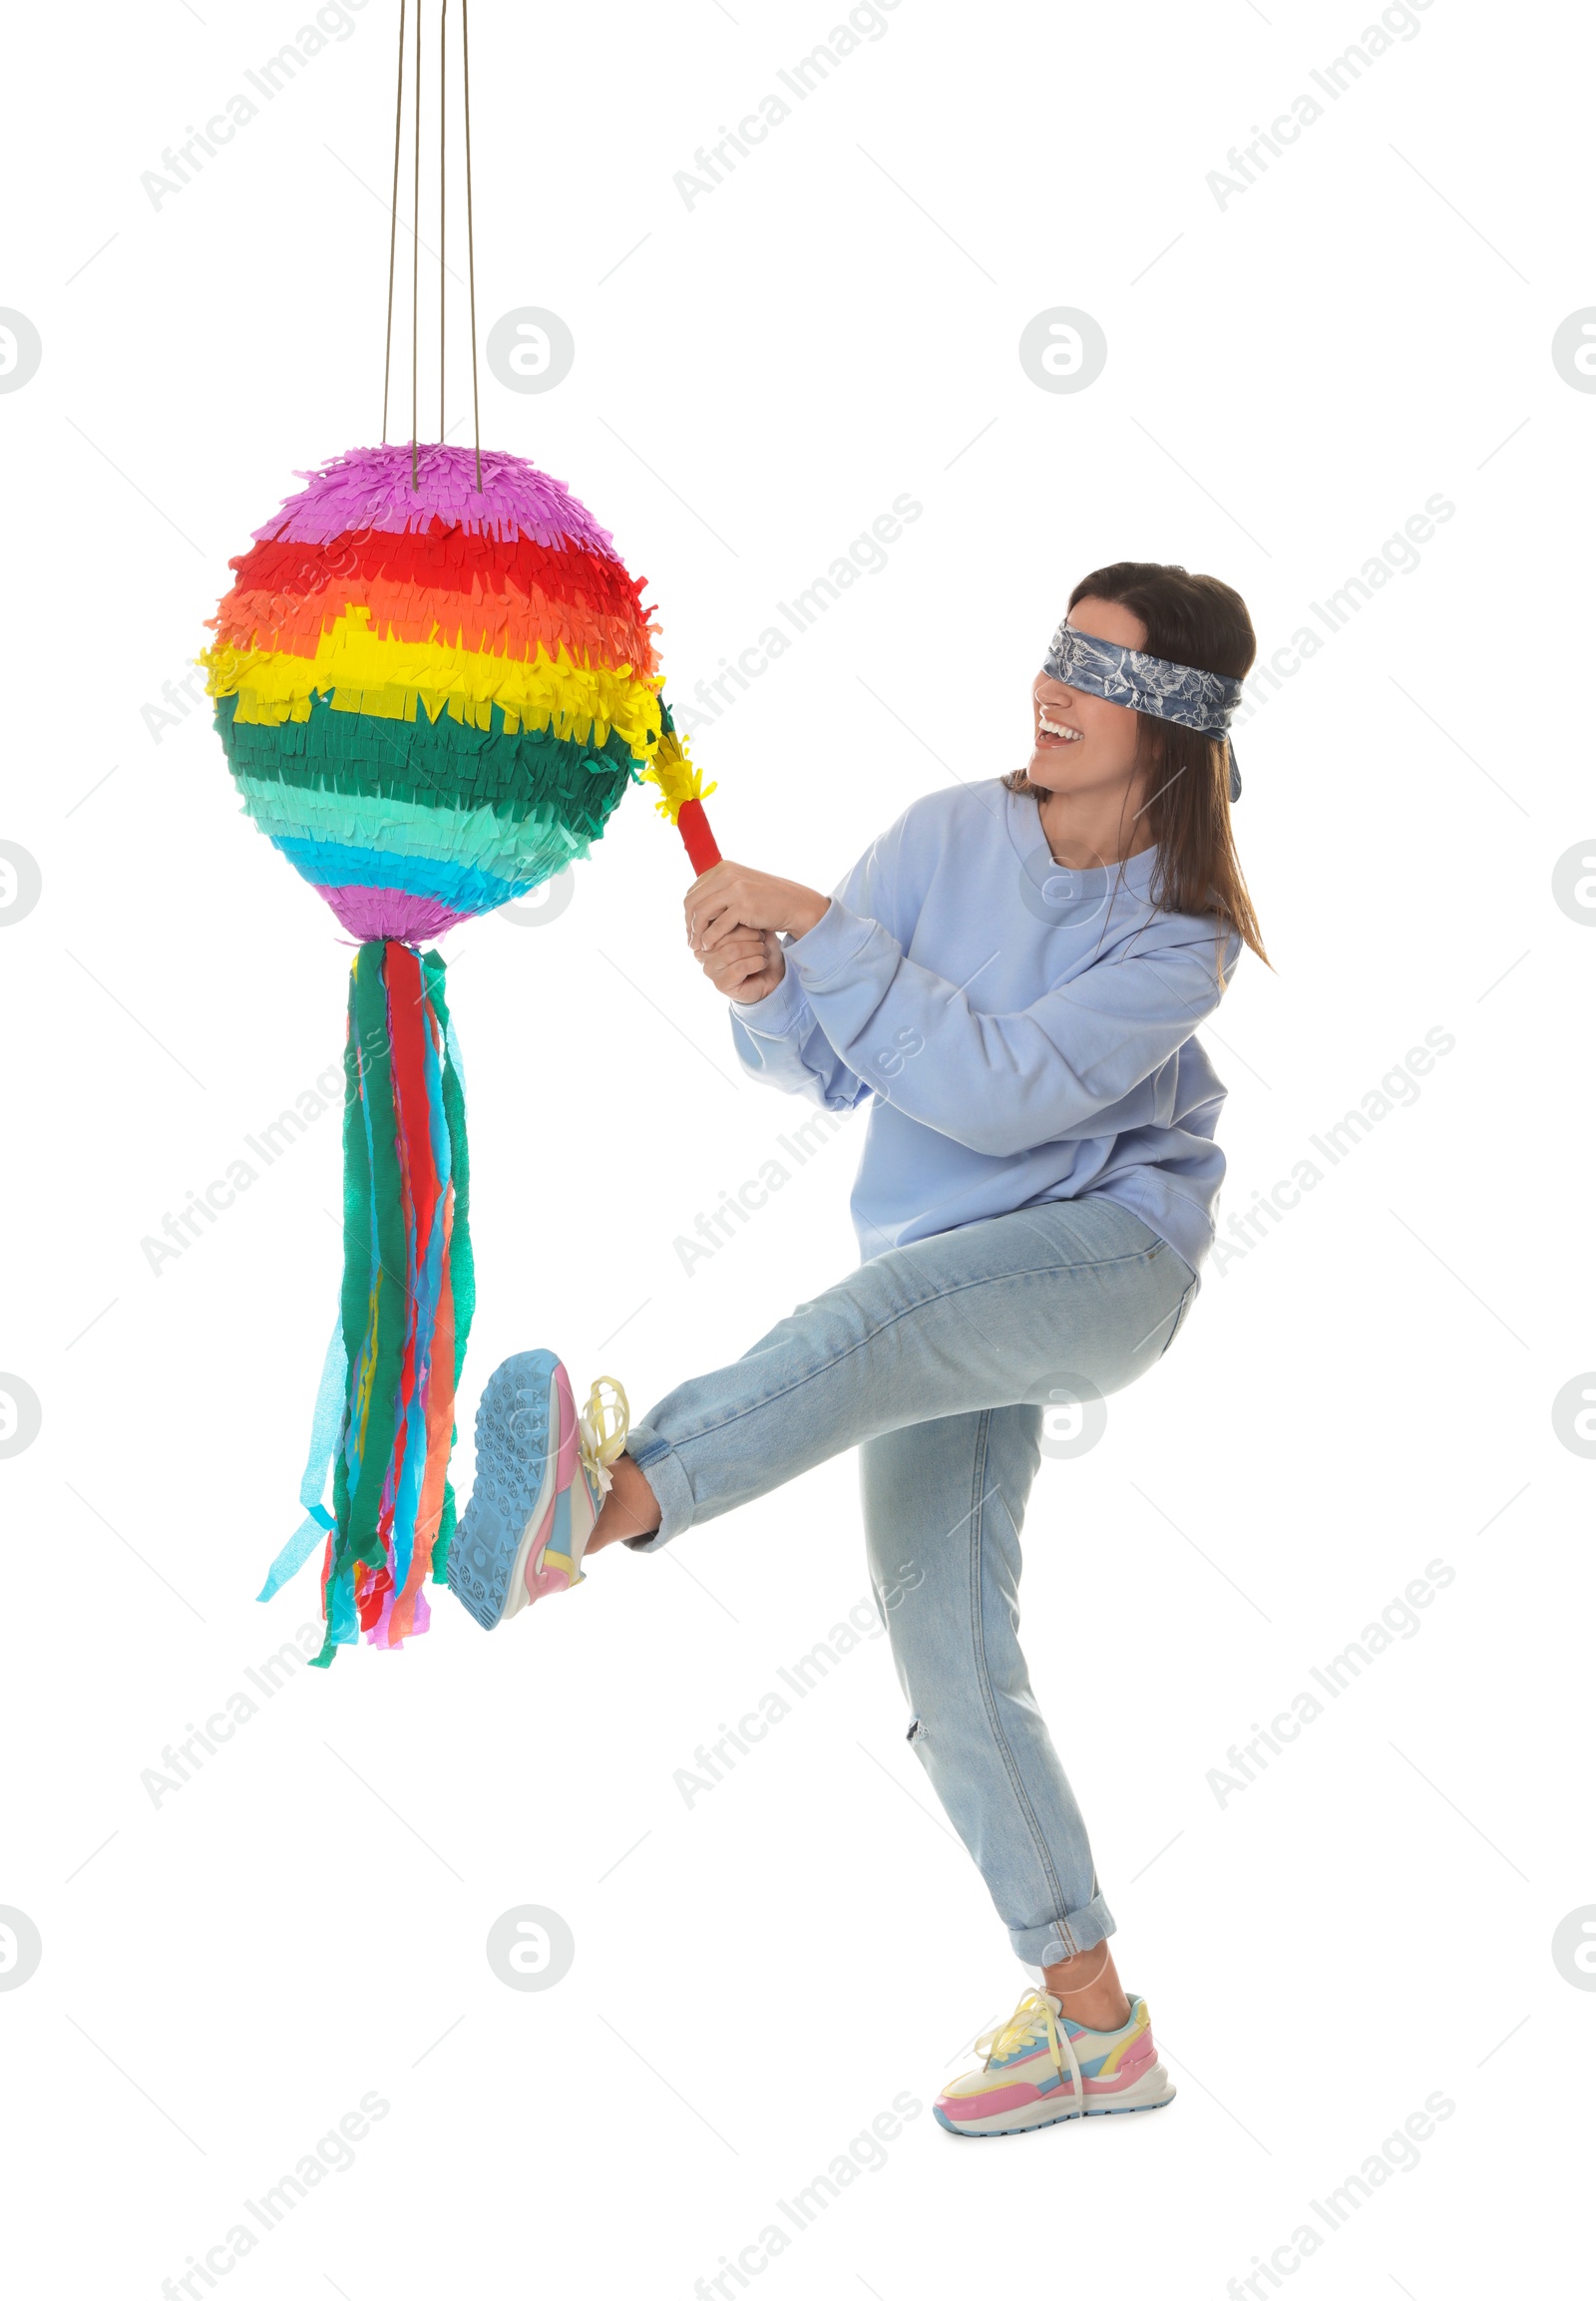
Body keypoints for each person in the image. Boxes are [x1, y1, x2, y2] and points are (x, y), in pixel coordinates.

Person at [449, 560, 1268, 2138]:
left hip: (1105, 1262)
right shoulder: (947, 829)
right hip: (944, 1280)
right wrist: (764, 987)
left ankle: (604, 1505)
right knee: (947, 1650)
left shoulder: (1186, 934)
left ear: (1173, 725)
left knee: (870, 1318)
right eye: (1054, 651)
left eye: (1096, 672)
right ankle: (1095, 2024)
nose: (1052, 685)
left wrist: (825, 928)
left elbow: (1009, 1094)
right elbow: (829, 1059)